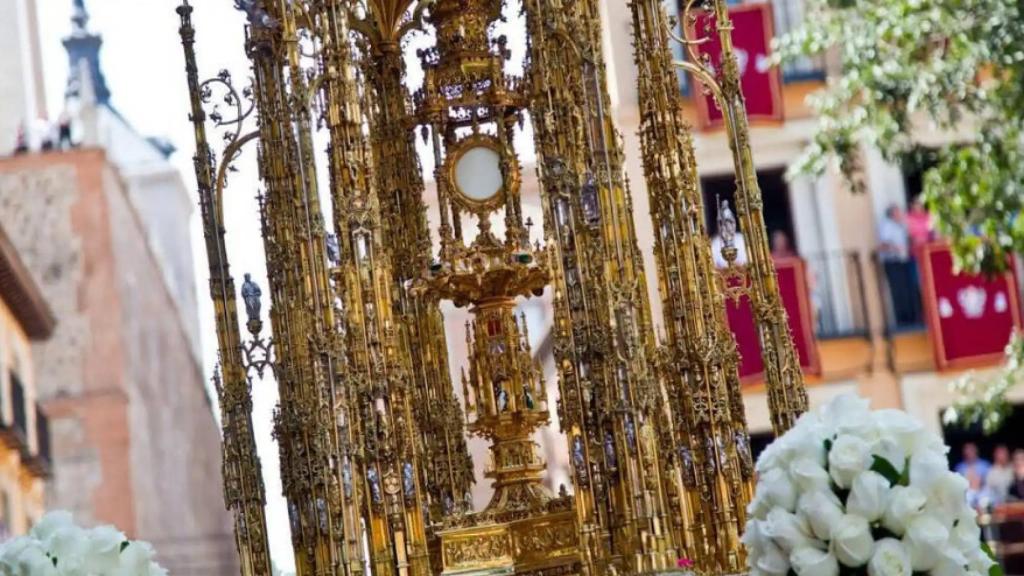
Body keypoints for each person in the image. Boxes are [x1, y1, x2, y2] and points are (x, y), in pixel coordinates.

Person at [878, 204, 921, 325]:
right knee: (899, 292)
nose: (900, 214)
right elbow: (883, 244)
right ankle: (903, 321)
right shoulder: (886, 226)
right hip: (893, 262)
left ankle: (912, 318)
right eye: (898, 212)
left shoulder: (901, 226)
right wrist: (896, 248)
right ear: (892, 214)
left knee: (908, 291)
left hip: (903, 261)